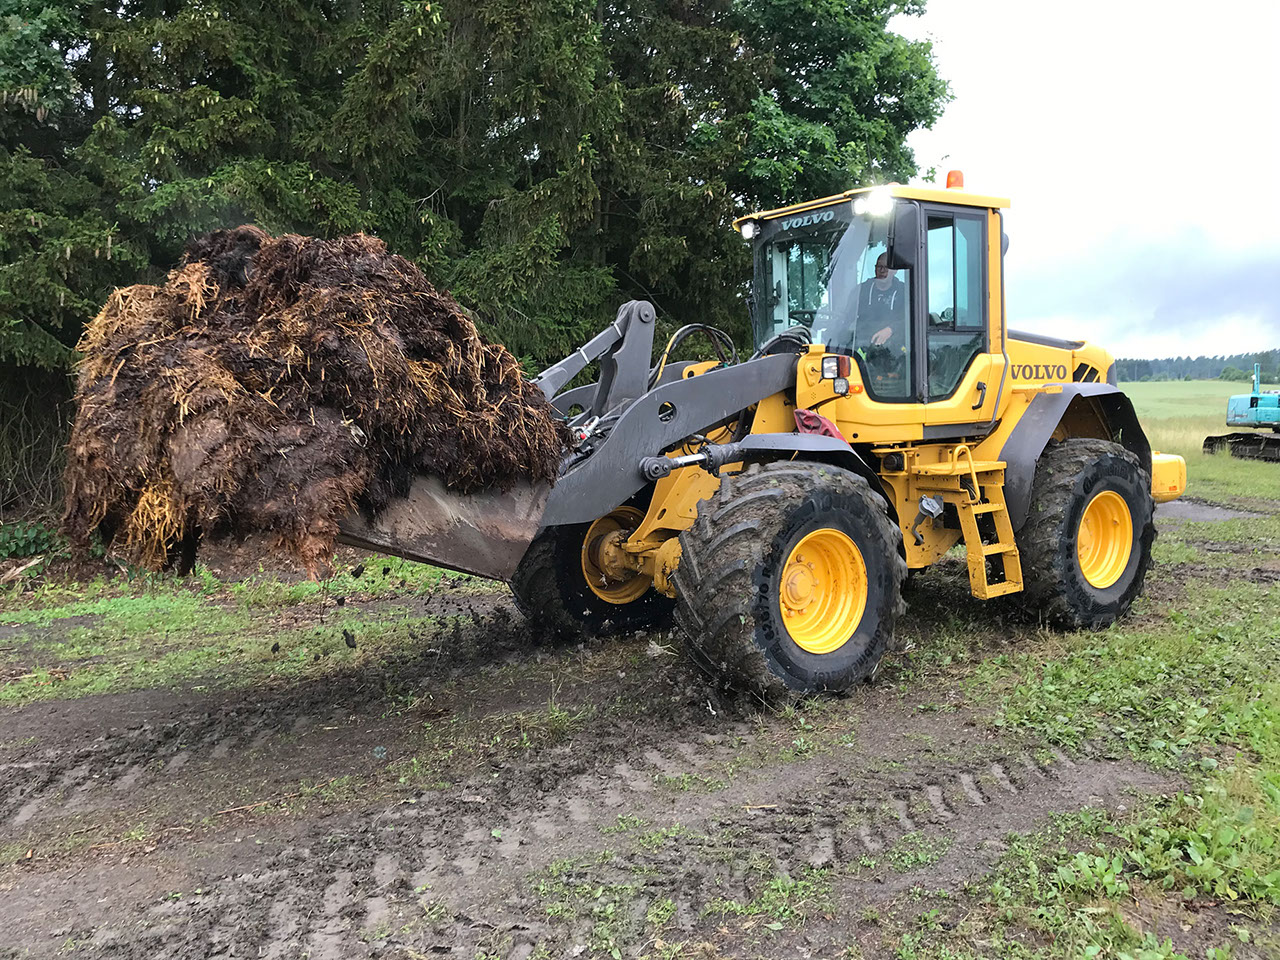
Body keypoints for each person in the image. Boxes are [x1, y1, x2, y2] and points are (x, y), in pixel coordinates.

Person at [857, 253, 908, 350]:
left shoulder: (905, 292)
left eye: (886, 267)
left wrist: (891, 330)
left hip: (895, 348)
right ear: (875, 269)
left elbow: (911, 319)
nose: (882, 271)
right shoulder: (861, 291)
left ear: (895, 270)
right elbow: (846, 317)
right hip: (863, 345)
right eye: (879, 267)